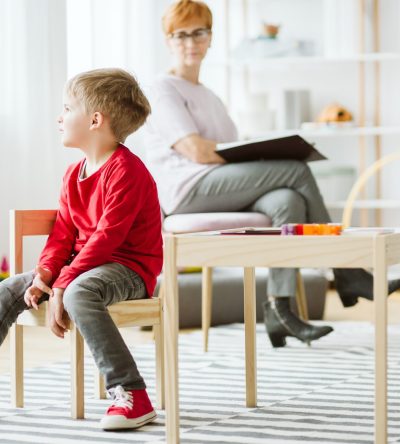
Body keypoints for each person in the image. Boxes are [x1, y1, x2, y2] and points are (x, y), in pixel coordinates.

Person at [143, 0, 400, 348]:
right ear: (167, 40)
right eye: (181, 35)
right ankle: (346, 269)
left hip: (218, 184)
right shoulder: (163, 88)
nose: (191, 42)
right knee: (295, 169)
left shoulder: (209, 95)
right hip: (187, 190)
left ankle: (279, 310)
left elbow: (228, 150)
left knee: (288, 199)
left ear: (210, 37)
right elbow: (197, 152)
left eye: (199, 32)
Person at [0, 68, 163, 430]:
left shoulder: (127, 171)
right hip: (83, 267)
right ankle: (57, 283)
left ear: (94, 119)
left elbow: (108, 238)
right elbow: (62, 234)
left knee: (79, 291)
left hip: (129, 268)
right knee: (10, 289)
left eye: (66, 107)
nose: (59, 116)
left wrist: (62, 285)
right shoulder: (73, 174)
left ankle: (132, 393)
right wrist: (44, 276)